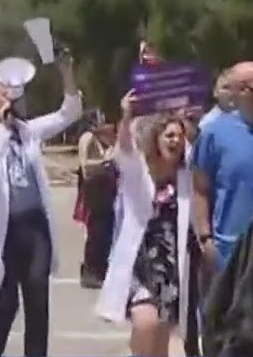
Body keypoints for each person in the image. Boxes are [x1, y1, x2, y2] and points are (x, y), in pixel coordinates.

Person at [0, 50, 83, 357]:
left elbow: (68, 113)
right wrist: (2, 127)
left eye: (12, 94)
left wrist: (67, 74)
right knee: (5, 302)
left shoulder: (27, 132)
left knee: (38, 295)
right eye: (2, 95)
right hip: (3, 231)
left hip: (35, 226)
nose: (10, 100)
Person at [97, 93, 197, 357]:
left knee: (161, 339)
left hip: (170, 267)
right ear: (156, 139)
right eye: (169, 135)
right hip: (138, 263)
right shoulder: (139, 172)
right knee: (146, 322)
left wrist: (190, 115)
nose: (175, 140)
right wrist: (127, 115)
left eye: (179, 136)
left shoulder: (186, 177)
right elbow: (125, 151)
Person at [190, 61, 253, 277]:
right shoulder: (212, 133)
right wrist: (205, 240)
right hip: (226, 253)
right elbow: (200, 189)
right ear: (243, 90)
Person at [77, 117, 117, 288]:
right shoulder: (88, 139)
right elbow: (85, 165)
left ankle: (100, 268)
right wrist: (107, 161)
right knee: (96, 230)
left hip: (104, 188)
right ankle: (90, 271)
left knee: (104, 230)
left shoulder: (104, 141)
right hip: (93, 188)